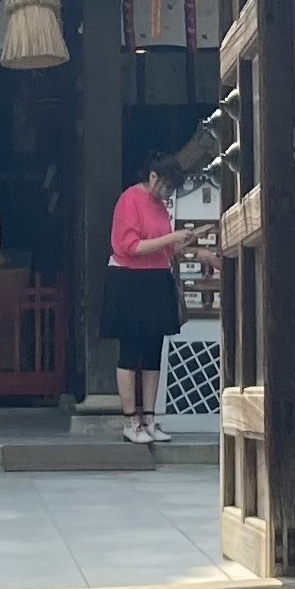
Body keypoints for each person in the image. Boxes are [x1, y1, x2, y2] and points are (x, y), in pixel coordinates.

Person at [106, 160, 201, 445]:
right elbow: (130, 246)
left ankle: (149, 417)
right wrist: (171, 237)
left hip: (157, 277)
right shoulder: (130, 199)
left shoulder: (159, 206)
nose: (169, 193)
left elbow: (165, 248)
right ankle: (129, 420)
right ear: (153, 176)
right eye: (167, 186)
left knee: (153, 352)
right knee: (130, 349)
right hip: (129, 279)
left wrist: (187, 242)